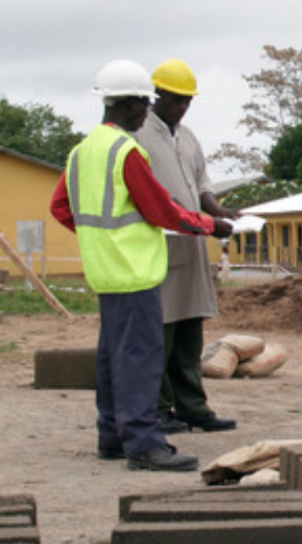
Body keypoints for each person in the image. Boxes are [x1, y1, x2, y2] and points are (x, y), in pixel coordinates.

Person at [50, 60, 233, 472]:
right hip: (134, 272)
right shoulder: (126, 150)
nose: (147, 112)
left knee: (113, 358)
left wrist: (99, 238)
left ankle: (112, 436)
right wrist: (210, 225)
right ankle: (144, 443)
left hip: (105, 273)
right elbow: (160, 209)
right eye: (145, 104)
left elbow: (61, 208)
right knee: (140, 360)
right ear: (132, 105)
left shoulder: (82, 152)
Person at [134, 58, 238, 434]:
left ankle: (193, 406)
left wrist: (217, 211)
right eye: (176, 100)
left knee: (190, 333)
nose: (182, 107)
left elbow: (202, 184)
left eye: (187, 101)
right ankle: (161, 408)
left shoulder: (190, 137)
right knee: (161, 333)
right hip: (160, 248)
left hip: (192, 246)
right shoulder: (138, 136)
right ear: (157, 95)